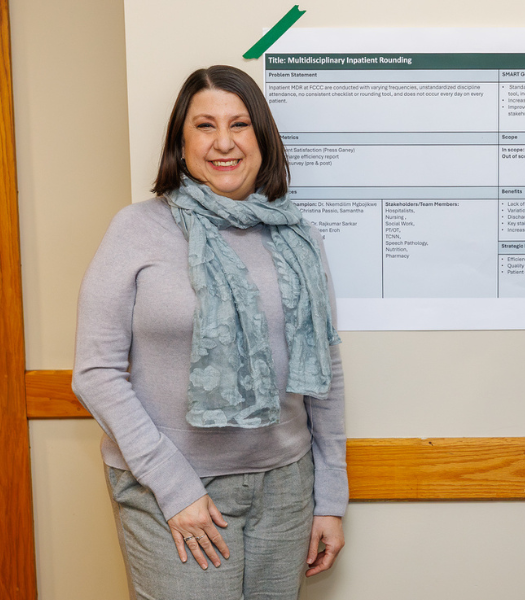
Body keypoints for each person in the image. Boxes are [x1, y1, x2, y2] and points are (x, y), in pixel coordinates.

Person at [72, 65, 347, 599]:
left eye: (240, 124)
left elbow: (326, 370)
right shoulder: (136, 229)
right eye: (205, 125)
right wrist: (176, 489)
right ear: (181, 139)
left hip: (286, 490)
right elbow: (95, 374)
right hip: (170, 487)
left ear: (262, 139)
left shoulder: (298, 236)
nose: (224, 142)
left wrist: (330, 498)